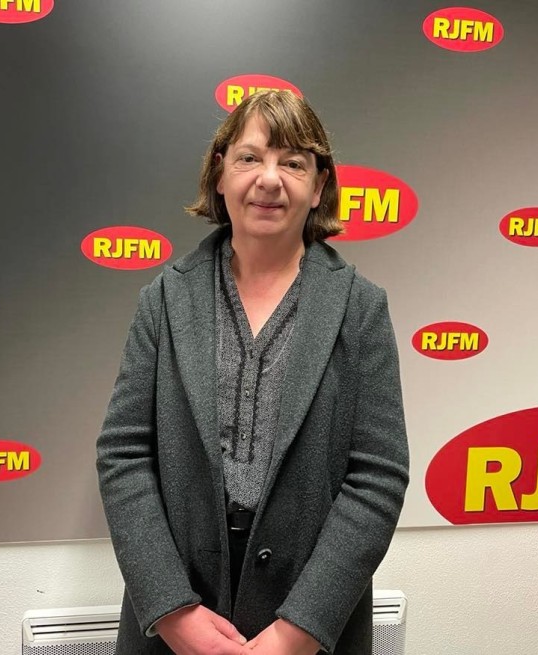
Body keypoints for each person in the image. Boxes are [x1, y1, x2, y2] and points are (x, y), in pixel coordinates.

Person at [97, 90, 409, 654]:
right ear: (220, 174)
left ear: (319, 186)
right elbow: (124, 456)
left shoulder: (360, 309)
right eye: (250, 158)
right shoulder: (164, 300)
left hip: (307, 621)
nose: (269, 179)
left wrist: (300, 629)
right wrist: (172, 611)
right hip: (181, 610)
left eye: (293, 163)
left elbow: (377, 478)